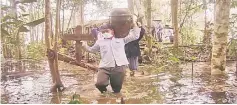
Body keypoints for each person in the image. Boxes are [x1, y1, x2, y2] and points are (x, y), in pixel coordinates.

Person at [81, 14, 141, 94]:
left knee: (116, 90)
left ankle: (114, 99)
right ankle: (105, 93)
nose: (105, 33)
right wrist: (84, 46)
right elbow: (92, 49)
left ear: (113, 31)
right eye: (103, 31)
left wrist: (134, 24)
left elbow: (135, 36)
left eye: (107, 31)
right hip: (105, 67)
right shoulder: (100, 41)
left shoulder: (121, 39)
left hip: (119, 67)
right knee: (99, 84)